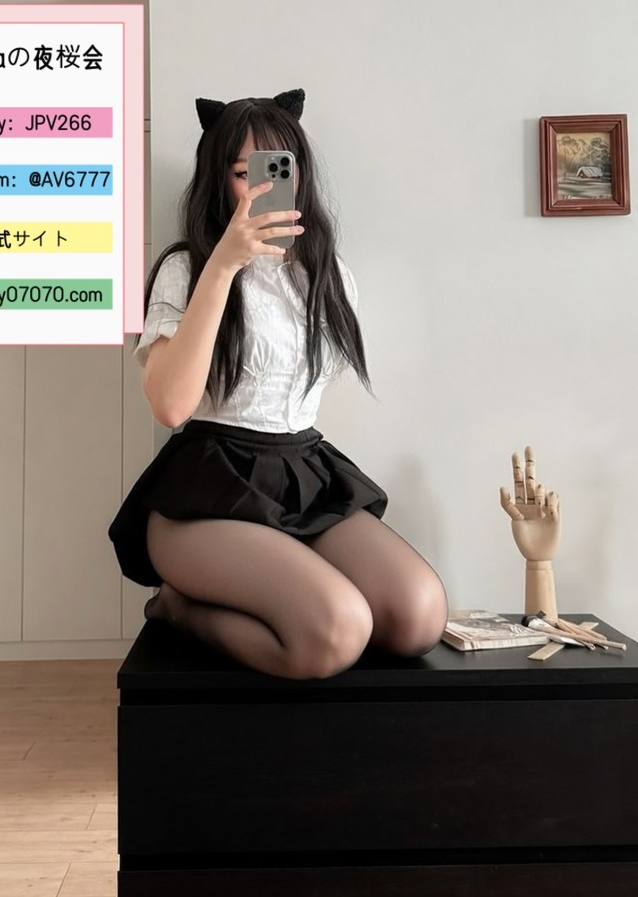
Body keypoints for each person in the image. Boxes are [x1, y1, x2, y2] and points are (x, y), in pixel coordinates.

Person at [109, 88, 447, 680]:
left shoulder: (327, 275)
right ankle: (179, 607)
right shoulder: (186, 268)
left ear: (300, 175)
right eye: (245, 173)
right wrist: (224, 263)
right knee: (336, 632)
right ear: (219, 180)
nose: (262, 186)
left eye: (277, 169)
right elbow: (170, 405)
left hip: (302, 473)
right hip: (204, 494)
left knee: (418, 617)